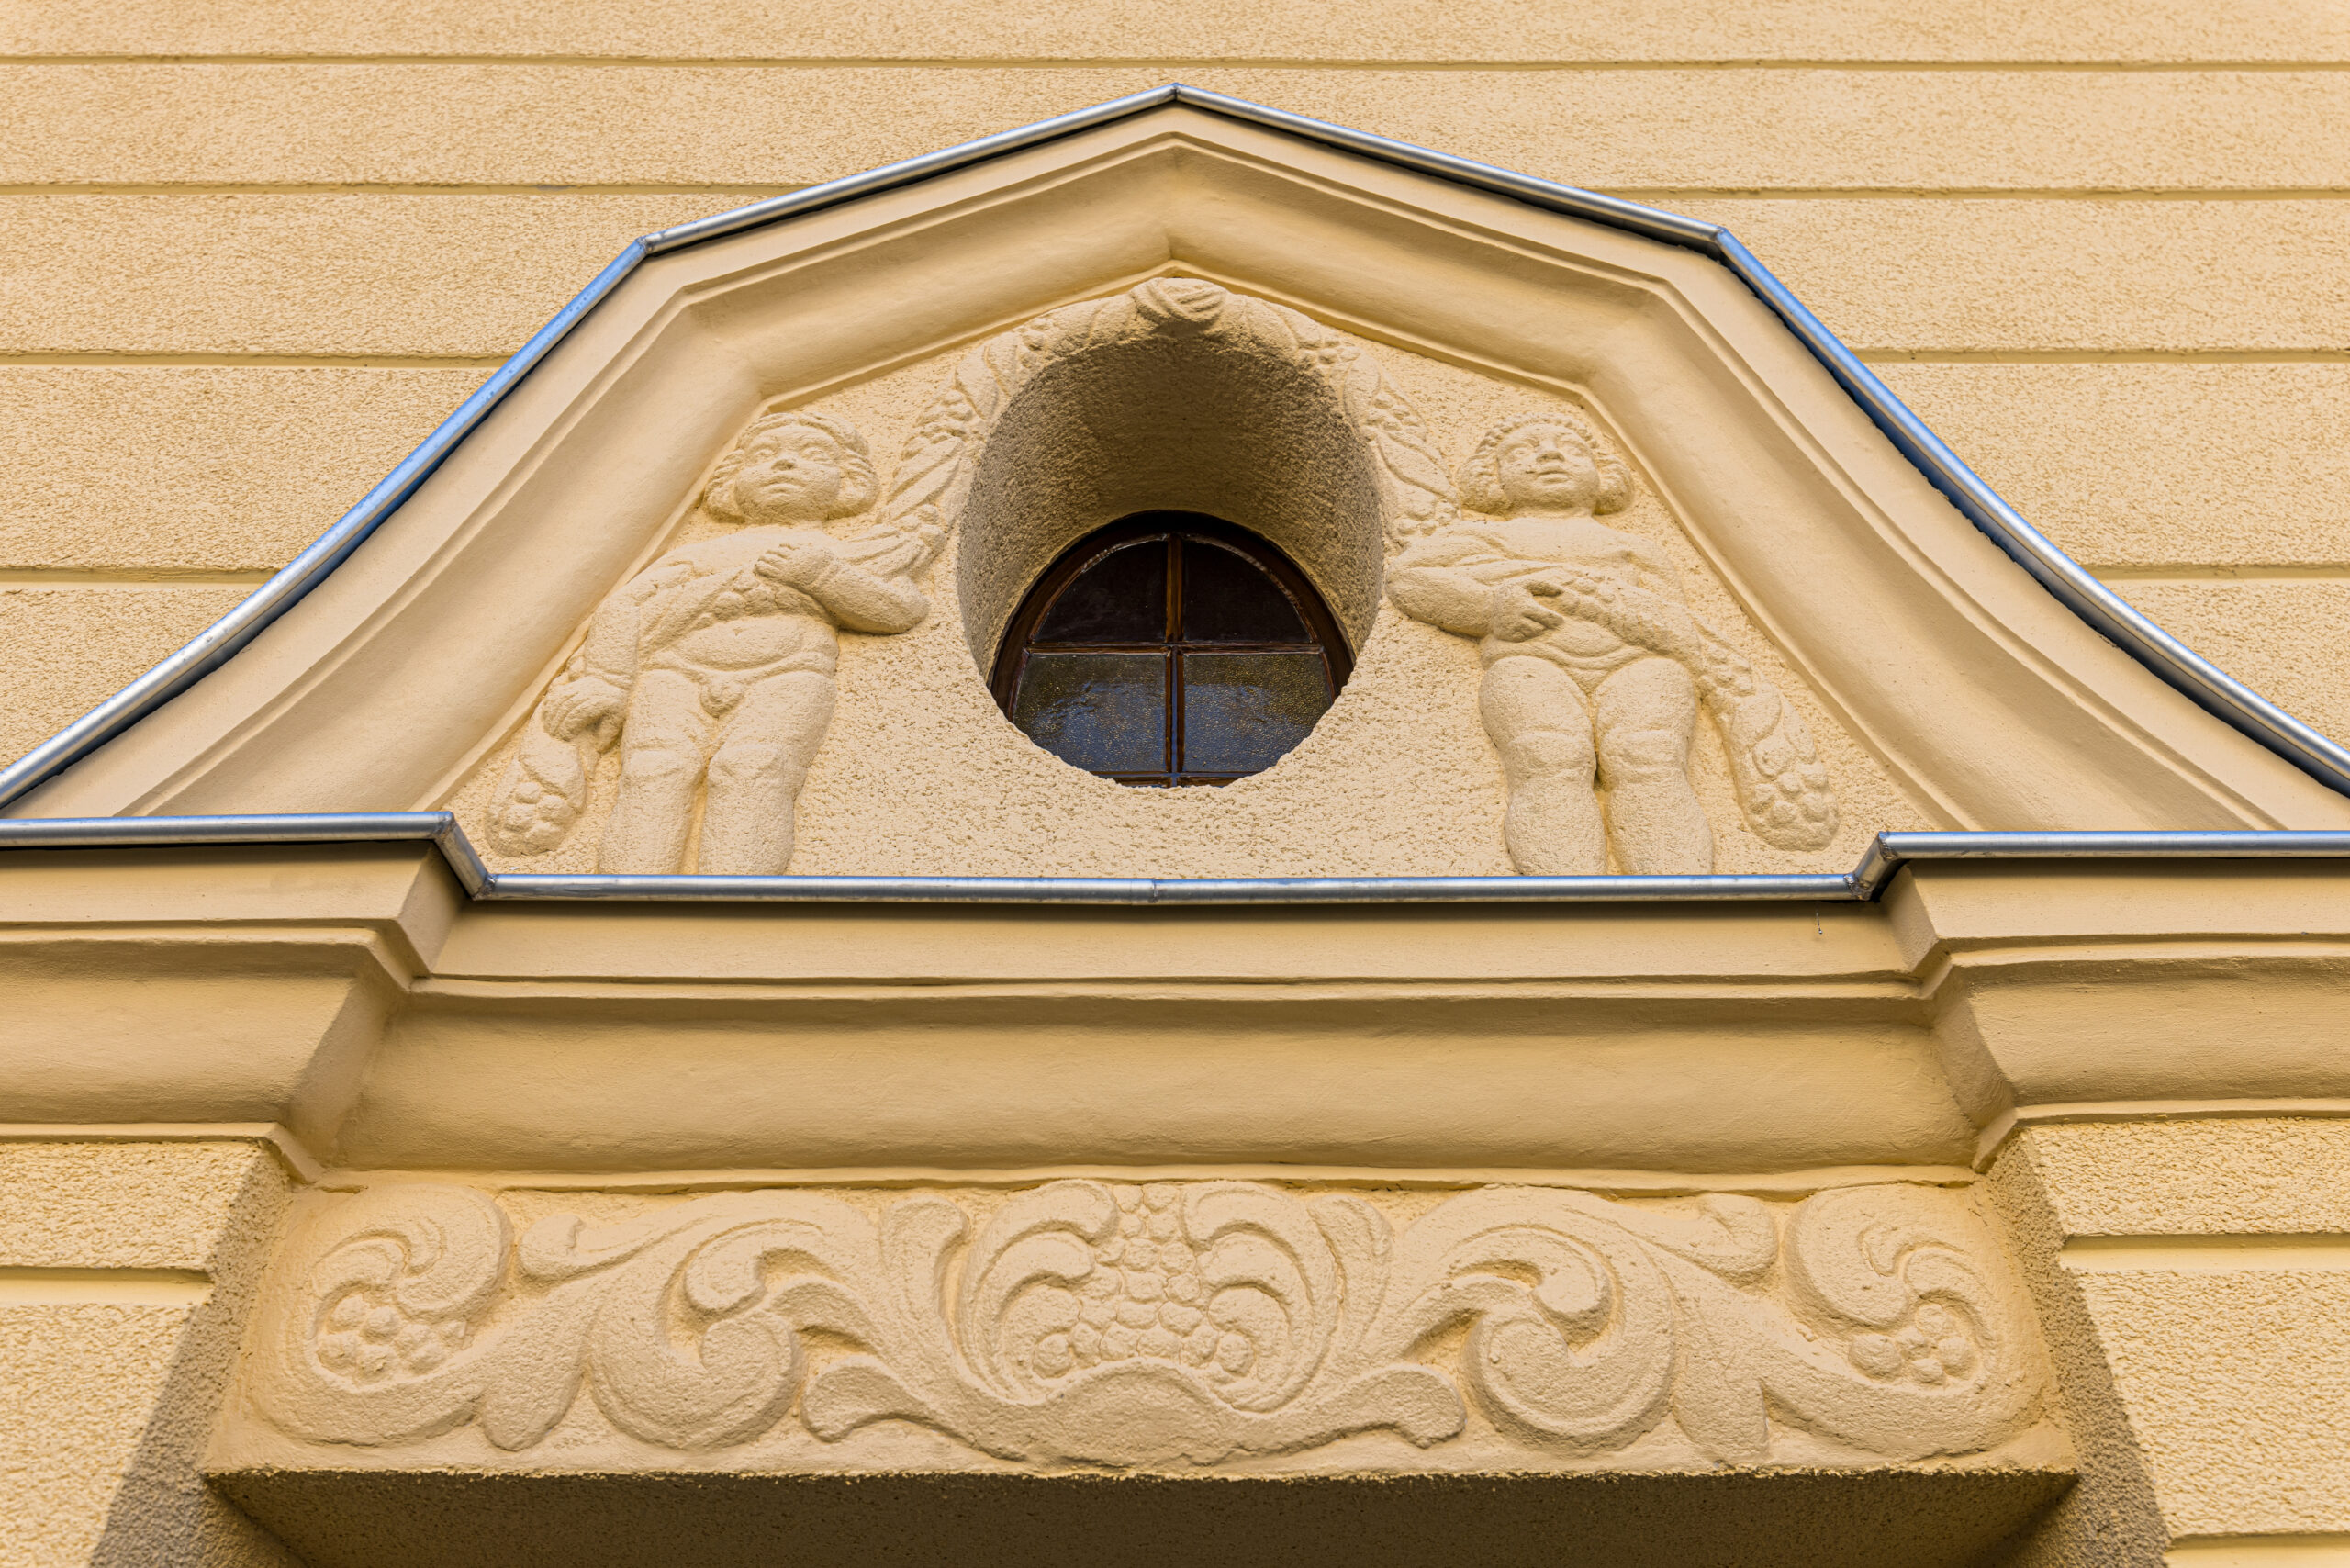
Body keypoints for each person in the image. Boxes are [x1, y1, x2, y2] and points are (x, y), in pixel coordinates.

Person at [490, 410, 938, 874]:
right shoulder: (698, 555)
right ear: (732, 481)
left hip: (785, 676)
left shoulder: (845, 555)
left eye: (811, 456)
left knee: (754, 767)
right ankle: (632, 901)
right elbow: (626, 609)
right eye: (764, 455)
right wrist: (608, 680)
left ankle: (735, 899)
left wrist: (821, 576)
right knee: (654, 770)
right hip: (674, 677)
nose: (784, 464)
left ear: (848, 482)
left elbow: (899, 609)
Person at [1388, 413, 1728, 875]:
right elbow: (1409, 578)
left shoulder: (1635, 550)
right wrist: (1489, 607)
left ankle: (1678, 895)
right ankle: (1568, 892)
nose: (1549, 455)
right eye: (1522, 452)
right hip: (1532, 663)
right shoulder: (1482, 537)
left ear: (1601, 472)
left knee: (1649, 756)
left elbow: (1673, 622)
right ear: (1495, 479)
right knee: (1548, 756)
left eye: (1570, 447)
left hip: (1638, 666)